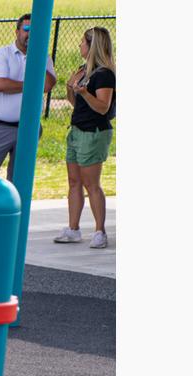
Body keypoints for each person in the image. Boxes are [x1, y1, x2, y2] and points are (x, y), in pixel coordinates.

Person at [0, 13, 57, 182]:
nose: (30, 33)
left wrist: (38, 56)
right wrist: (32, 86)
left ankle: (14, 209)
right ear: (17, 31)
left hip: (29, 128)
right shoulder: (1, 55)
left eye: (36, 30)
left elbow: (48, 85)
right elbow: (0, 85)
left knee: (19, 179)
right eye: (27, 29)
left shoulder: (43, 57)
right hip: (1, 128)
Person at [55, 26, 114, 250]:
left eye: (83, 42)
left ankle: (100, 232)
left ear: (92, 46)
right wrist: (71, 86)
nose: (80, 45)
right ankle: (73, 228)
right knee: (74, 181)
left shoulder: (104, 75)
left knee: (91, 184)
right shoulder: (84, 70)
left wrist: (84, 92)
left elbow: (102, 107)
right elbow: (75, 103)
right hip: (77, 130)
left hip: (94, 133)